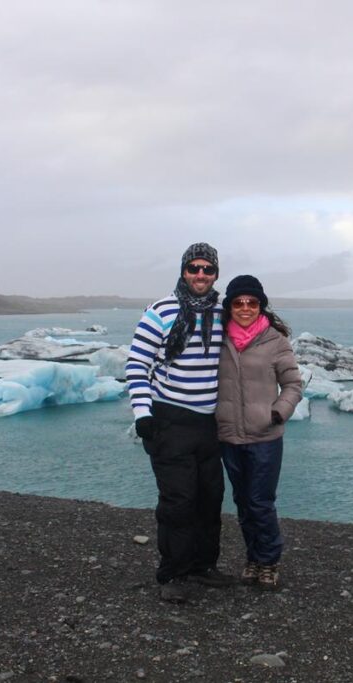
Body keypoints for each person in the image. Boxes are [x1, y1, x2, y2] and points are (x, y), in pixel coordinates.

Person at [125, 242, 237, 603]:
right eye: (194, 268)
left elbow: (254, 327)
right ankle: (172, 572)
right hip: (170, 420)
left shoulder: (223, 312)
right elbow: (137, 366)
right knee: (178, 500)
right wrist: (143, 414)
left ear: (216, 273)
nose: (201, 275)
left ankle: (203, 566)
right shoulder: (161, 311)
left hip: (208, 423)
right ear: (183, 271)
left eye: (207, 269)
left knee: (210, 497)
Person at [215, 275, 303, 591]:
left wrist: (278, 411)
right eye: (238, 302)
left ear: (261, 305)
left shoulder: (275, 341)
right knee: (242, 501)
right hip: (228, 436)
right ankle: (253, 557)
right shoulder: (217, 339)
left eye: (252, 302)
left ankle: (268, 561)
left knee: (260, 501)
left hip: (265, 435)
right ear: (229, 306)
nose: (245, 308)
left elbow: (293, 384)